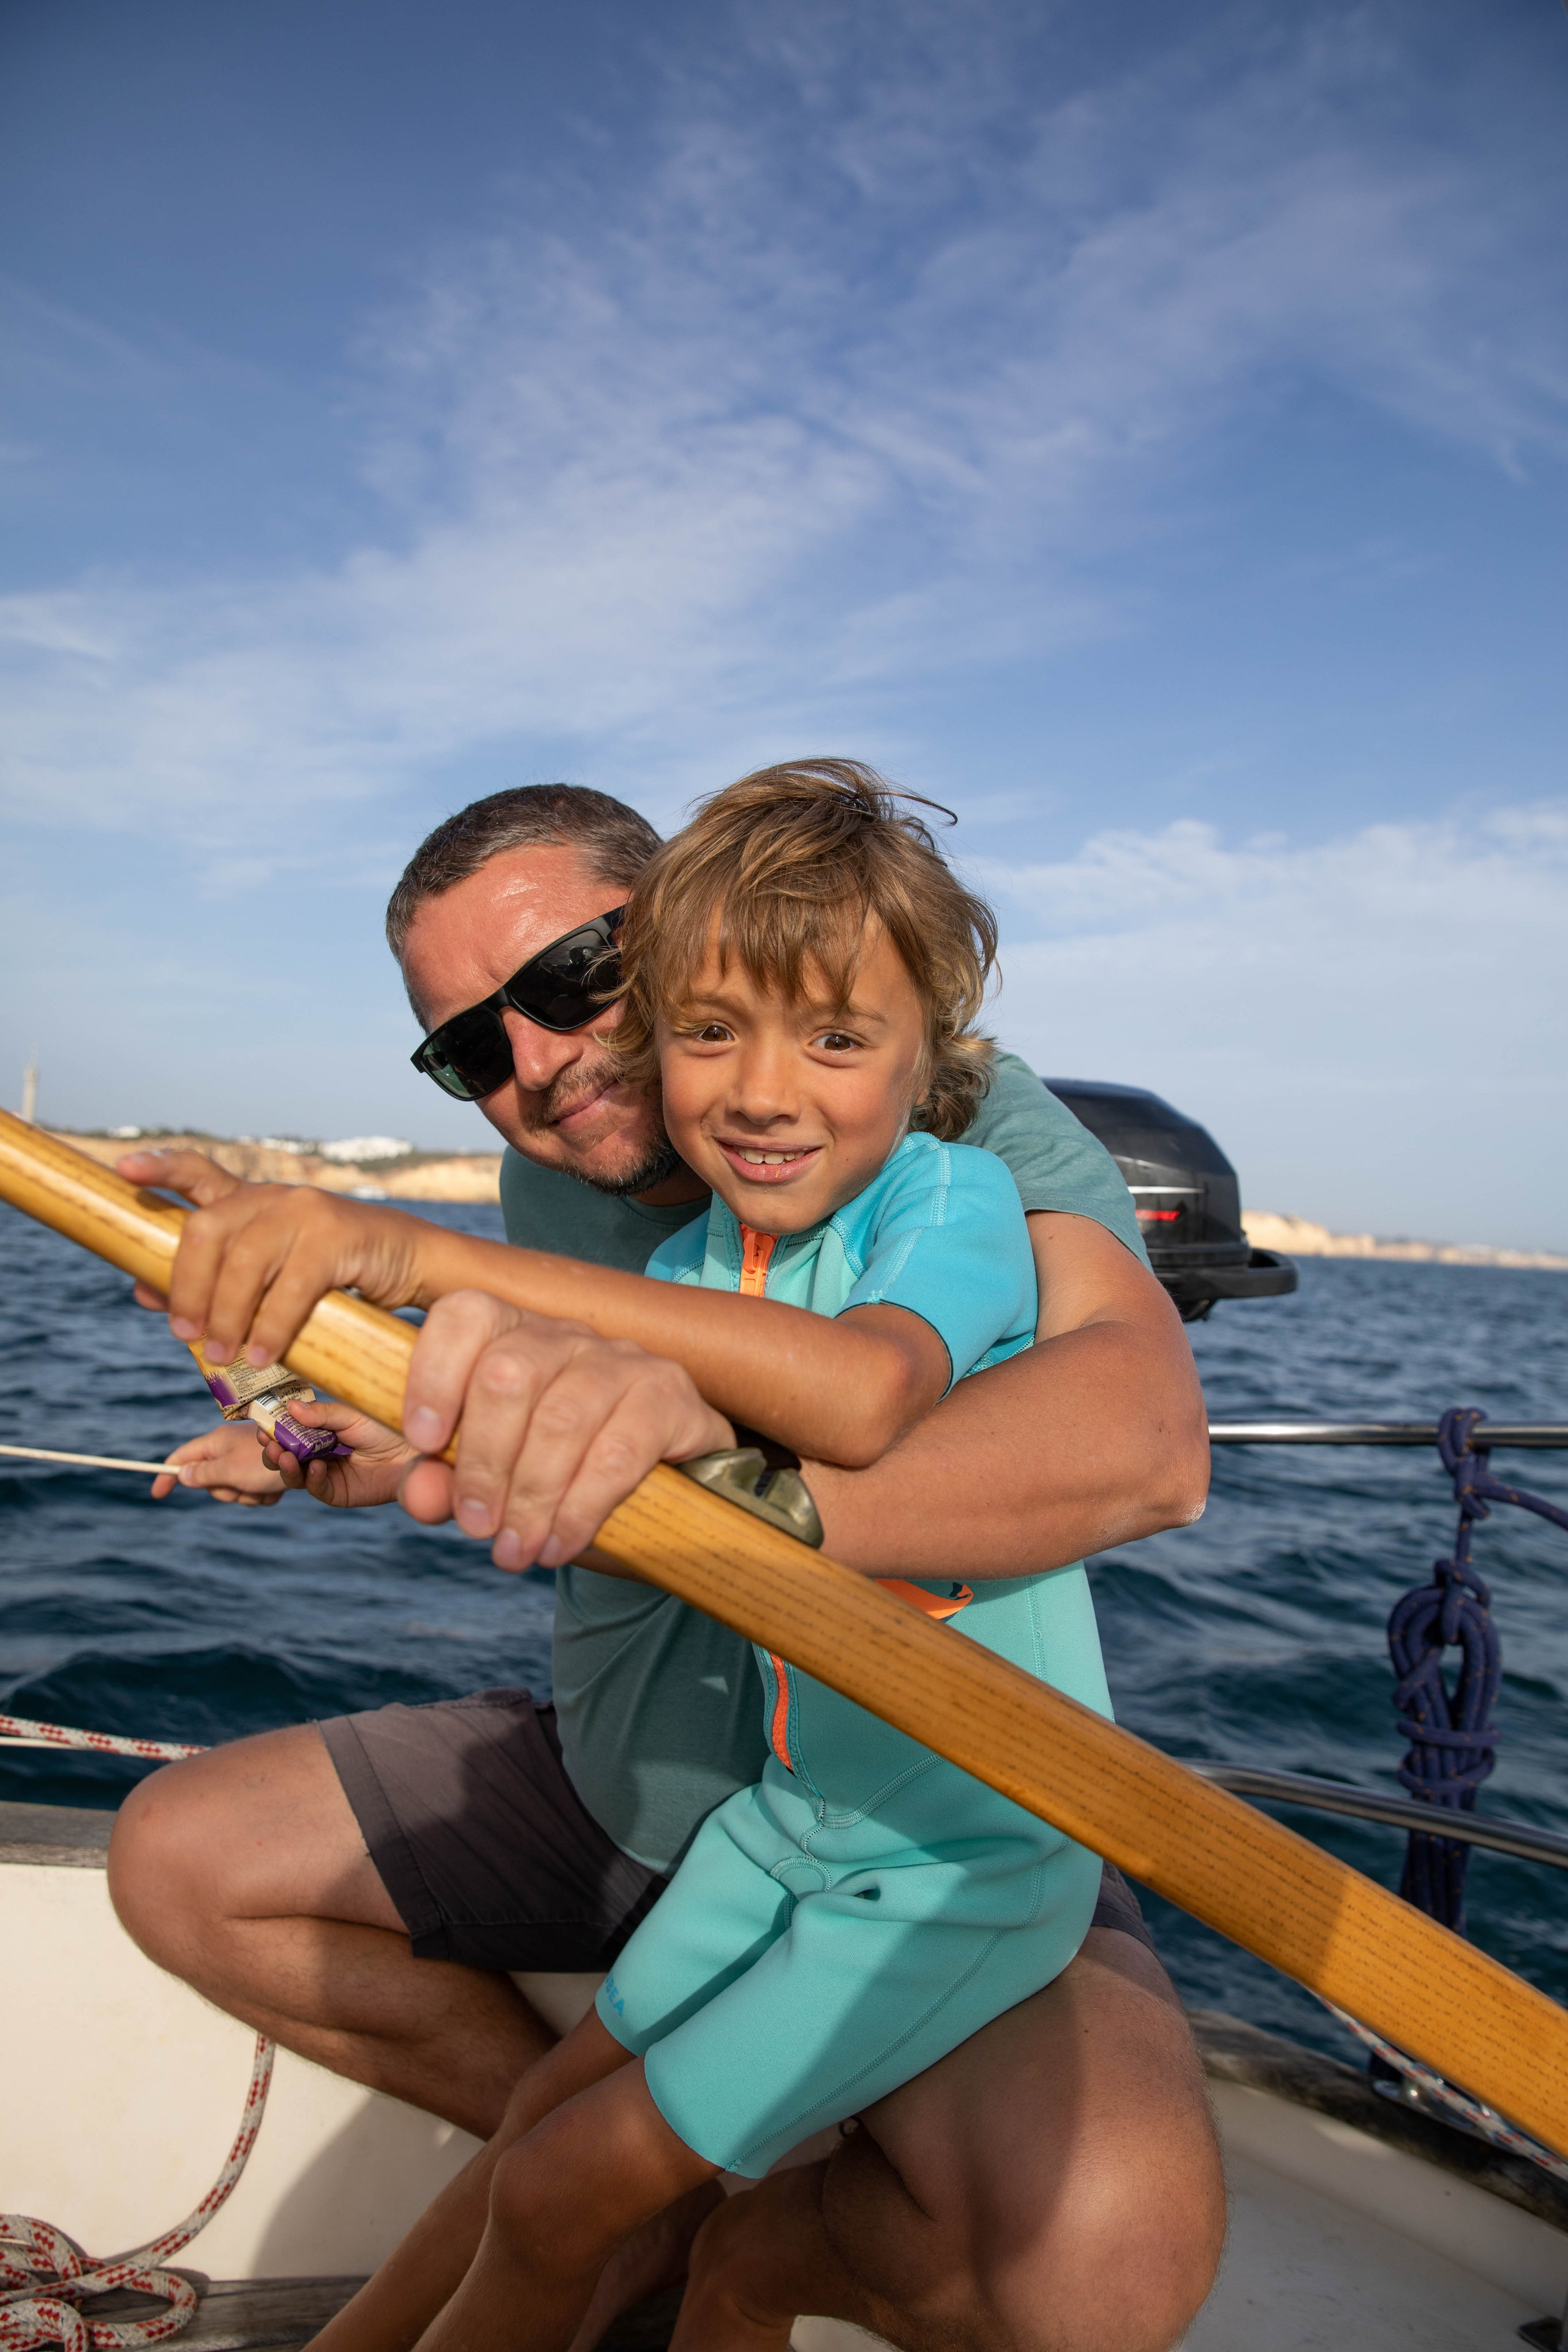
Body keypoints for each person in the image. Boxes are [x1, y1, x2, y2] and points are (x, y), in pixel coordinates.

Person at [108, 765, 1224, 2352]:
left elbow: (1141, 1449)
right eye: (472, 1048)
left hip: (915, 1791)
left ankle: (705, 2221)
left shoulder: (945, 1123)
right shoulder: (555, 1189)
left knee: (1098, 2254)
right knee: (186, 1871)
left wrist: (719, 1478)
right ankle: (649, 2186)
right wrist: (298, 1422)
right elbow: (470, 1420)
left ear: (691, 925)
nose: (544, 1063)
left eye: (574, 979)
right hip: (631, 1784)